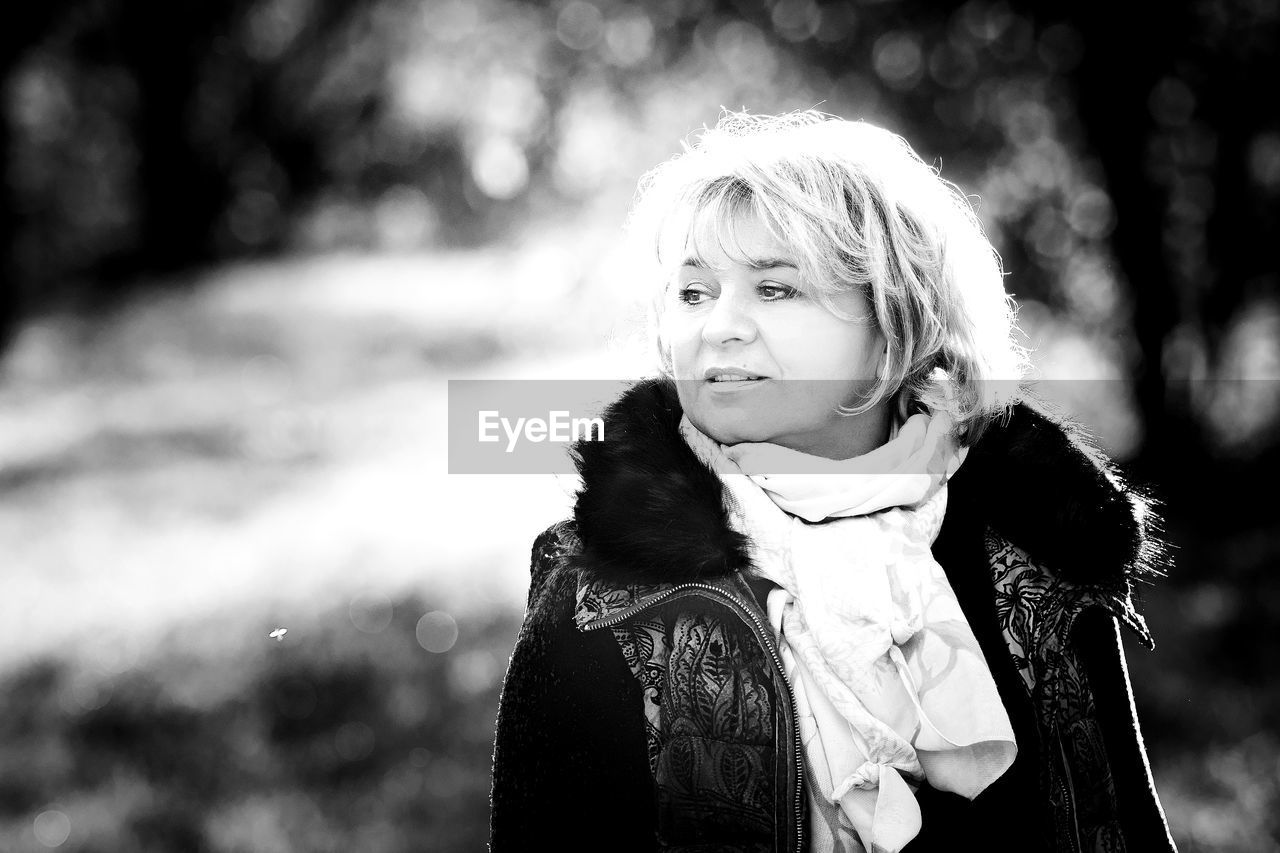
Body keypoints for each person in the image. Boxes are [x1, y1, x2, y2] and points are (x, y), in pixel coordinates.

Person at [489, 110, 1177, 852]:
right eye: (694, 293)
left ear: (896, 319)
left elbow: (1122, 826)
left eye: (775, 289)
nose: (718, 326)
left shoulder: (1040, 552)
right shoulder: (603, 593)